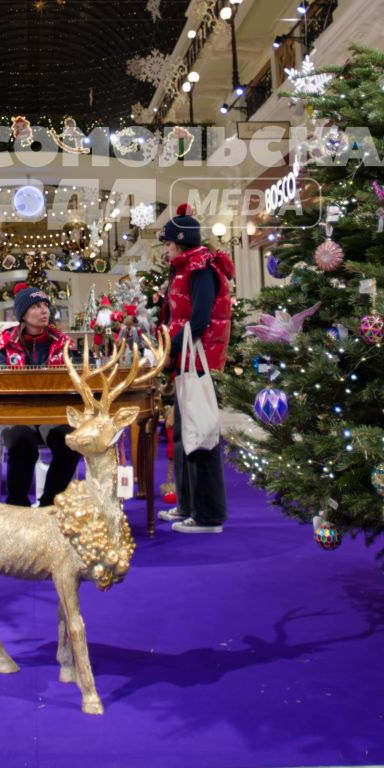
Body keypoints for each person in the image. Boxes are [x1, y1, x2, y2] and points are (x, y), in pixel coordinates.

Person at [158, 204, 233, 533]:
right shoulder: (183, 267)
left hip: (200, 361)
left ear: (179, 242)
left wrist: (169, 348)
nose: (164, 249)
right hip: (186, 361)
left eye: (167, 244)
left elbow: (200, 319)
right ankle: (186, 505)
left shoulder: (200, 268)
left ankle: (207, 515)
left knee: (201, 436)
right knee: (182, 436)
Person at [0, 286, 77, 507]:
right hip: (15, 412)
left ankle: (49, 505)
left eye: (45, 305)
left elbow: (73, 380)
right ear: (23, 314)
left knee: (70, 443)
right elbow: (2, 384)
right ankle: (17, 506)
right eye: (36, 306)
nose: (44, 310)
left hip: (53, 412)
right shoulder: (5, 344)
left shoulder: (63, 343)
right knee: (21, 442)